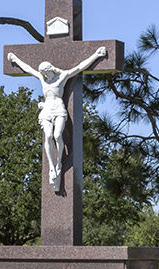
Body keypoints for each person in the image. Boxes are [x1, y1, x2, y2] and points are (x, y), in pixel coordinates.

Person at [7, 46, 107, 191]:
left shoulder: (62, 76)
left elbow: (79, 67)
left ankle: (59, 162)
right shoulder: (42, 78)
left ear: (50, 70)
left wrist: (96, 55)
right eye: (43, 74)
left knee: (57, 135)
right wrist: (16, 59)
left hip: (59, 109)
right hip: (47, 110)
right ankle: (51, 166)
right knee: (47, 136)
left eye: (46, 73)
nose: (44, 76)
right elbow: (28, 69)